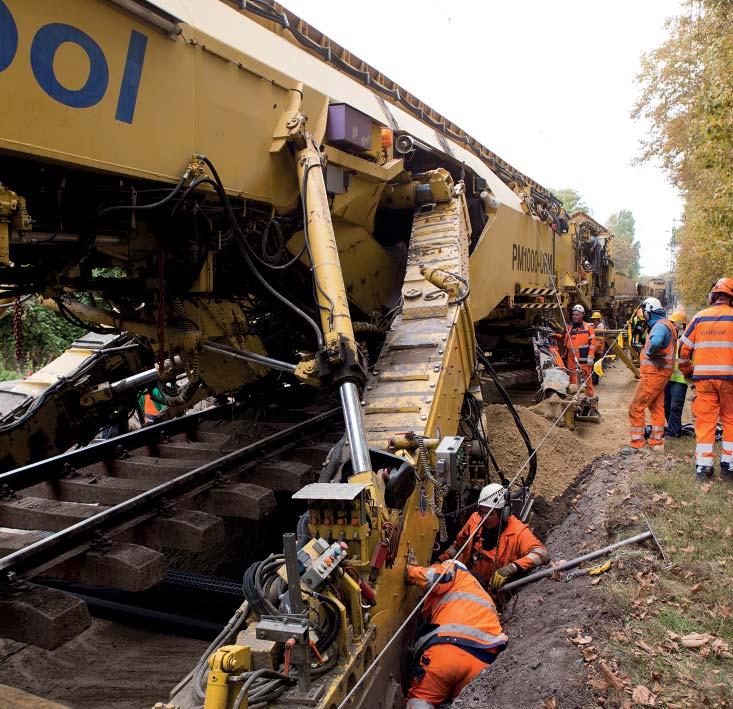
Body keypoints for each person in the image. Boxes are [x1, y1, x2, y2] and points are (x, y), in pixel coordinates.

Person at [405, 558, 508, 708]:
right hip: (482, 664)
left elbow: (437, 577)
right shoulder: (487, 601)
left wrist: (409, 571)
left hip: (447, 653)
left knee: (421, 699)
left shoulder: (455, 569)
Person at [438, 483, 548, 591]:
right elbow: (457, 546)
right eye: (482, 512)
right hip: (465, 583)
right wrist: (440, 562)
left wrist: (511, 568)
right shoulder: (475, 520)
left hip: (492, 595)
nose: (485, 518)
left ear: (504, 513)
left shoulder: (518, 532)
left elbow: (541, 553)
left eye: (490, 514)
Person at [678, 278, 733, 481]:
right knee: (730, 420)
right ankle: (728, 466)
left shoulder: (700, 318)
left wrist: (689, 372)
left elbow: (683, 351)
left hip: (704, 381)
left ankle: (703, 467)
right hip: (730, 380)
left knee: (706, 421)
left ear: (713, 295)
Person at [628, 297, 677, 450]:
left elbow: (655, 343)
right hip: (661, 374)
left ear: (649, 312)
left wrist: (650, 353)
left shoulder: (659, 326)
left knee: (636, 407)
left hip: (653, 374)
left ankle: (637, 443)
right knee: (656, 407)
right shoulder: (667, 324)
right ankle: (656, 442)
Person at [562, 304, 598, 397]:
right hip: (572, 362)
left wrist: (591, 357)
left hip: (584, 360)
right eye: (573, 314)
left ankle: (590, 400)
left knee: (587, 382)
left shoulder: (588, 327)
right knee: (573, 383)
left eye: (577, 315)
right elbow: (565, 342)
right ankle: (575, 402)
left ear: (582, 315)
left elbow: (593, 343)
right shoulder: (569, 327)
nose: (574, 316)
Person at [664, 311, 690, 438]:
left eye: (674, 323)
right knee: (666, 406)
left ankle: (673, 431)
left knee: (675, 406)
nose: (672, 326)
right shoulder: (669, 339)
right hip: (667, 377)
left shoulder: (687, 342)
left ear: (680, 326)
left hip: (680, 379)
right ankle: (673, 427)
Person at [590, 311, 607, 385]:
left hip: (598, 351)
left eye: (595, 319)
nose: (594, 321)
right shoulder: (597, 327)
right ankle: (595, 380)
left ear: (598, 319)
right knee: (596, 366)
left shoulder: (600, 328)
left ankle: (594, 381)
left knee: (595, 366)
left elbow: (598, 342)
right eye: (593, 320)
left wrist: (591, 349)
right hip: (597, 351)